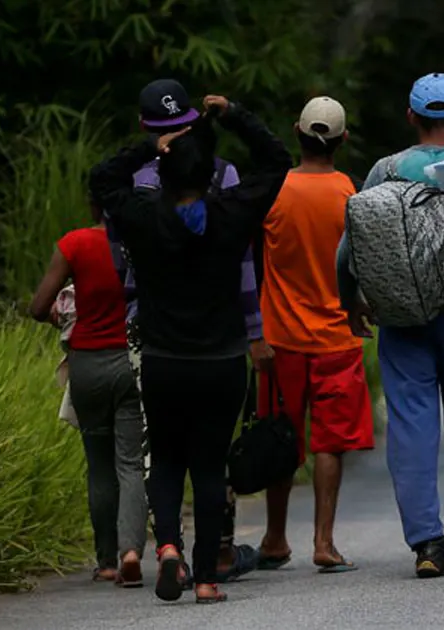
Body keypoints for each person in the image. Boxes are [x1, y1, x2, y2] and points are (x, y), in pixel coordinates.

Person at [88, 88, 290, 604]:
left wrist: (152, 145)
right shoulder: (231, 213)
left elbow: (102, 181)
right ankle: (204, 580)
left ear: (165, 174)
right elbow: (276, 159)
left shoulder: (142, 217)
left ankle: (170, 549)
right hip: (221, 362)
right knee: (207, 467)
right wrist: (233, 116)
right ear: (208, 176)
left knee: (169, 461)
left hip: (162, 360)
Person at [335, 72, 444, 579]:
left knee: (411, 428)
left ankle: (428, 542)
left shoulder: (386, 170)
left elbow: (351, 244)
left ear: (411, 117)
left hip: (402, 317)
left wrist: (351, 302)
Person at [254, 96, 374, 574]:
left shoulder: (272, 192)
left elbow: (251, 264)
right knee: (329, 443)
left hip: (279, 338)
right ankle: (324, 543)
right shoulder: (353, 195)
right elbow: (363, 265)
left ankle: (274, 537)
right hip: (337, 340)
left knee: (282, 438)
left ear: (295, 133)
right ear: (343, 141)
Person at [28, 200, 148, 588]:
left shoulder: (74, 244)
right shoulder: (140, 242)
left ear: (94, 205)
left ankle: (107, 561)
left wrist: (58, 314)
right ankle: (132, 550)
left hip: (87, 367)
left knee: (98, 464)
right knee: (129, 463)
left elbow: (37, 307)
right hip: (130, 362)